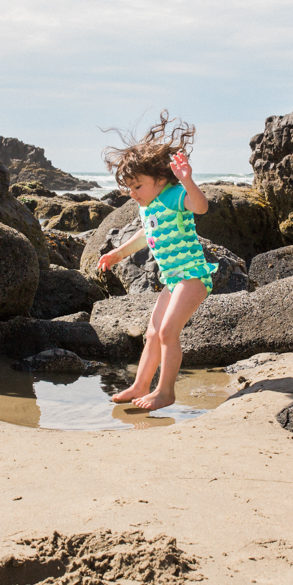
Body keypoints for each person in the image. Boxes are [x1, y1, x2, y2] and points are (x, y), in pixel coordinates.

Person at [96, 112, 218, 410]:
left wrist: (188, 181)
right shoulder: (149, 207)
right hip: (173, 280)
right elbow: (143, 235)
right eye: (129, 187)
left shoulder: (175, 195)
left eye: (137, 186)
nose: (132, 193)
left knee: (167, 332)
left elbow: (200, 207)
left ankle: (165, 391)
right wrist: (117, 253)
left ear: (160, 179)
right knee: (152, 334)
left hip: (192, 277)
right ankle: (139, 385)